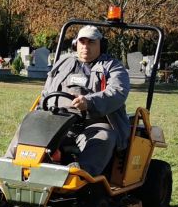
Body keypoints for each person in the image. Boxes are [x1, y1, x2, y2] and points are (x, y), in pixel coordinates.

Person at [29, 25, 131, 176]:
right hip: (59, 120)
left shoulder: (113, 67)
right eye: (82, 42)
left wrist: (89, 102)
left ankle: (81, 176)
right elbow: (47, 90)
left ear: (101, 45)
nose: (85, 46)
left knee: (105, 137)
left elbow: (117, 92)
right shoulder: (63, 63)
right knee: (29, 126)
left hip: (95, 123)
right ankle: (9, 163)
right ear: (75, 44)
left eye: (91, 42)